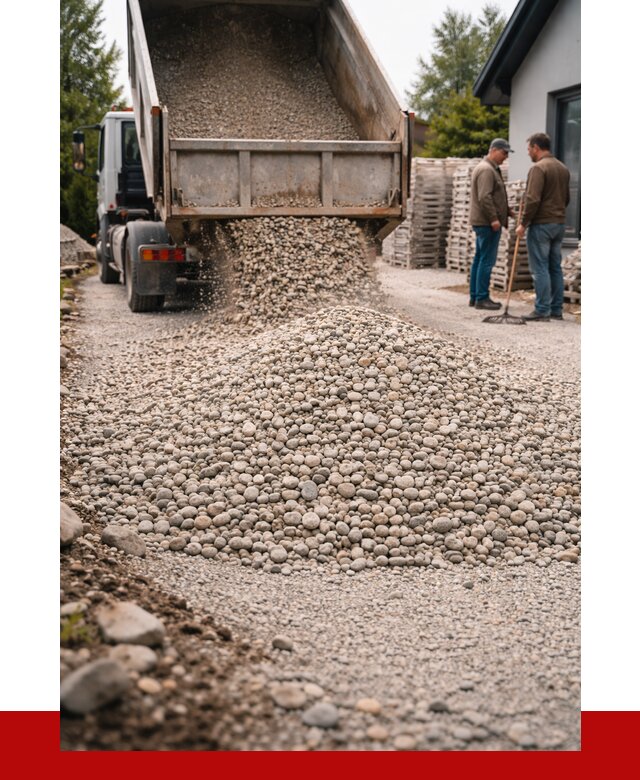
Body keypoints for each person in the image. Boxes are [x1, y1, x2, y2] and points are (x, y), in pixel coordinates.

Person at [516, 132, 571, 321]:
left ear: (536, 148)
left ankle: (542, 310)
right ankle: (556, 309)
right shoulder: (563, 168)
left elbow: (532, 199)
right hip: (559, 223)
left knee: (539, 267)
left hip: (541, 225)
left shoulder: (538, 169)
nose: (528, 153)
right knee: (555, 267)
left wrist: (523, 223)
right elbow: (567, 198)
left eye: (529, 148)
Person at [469, 138, 515, 310]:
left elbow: (493, 196)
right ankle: (482, 298)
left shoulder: (488, 168)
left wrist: (507, 210)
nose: (505, 157)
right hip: (487, 223)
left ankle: (475, 297)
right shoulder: (487, 170)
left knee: (479, 258)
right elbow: (485, 197)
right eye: (504, 153)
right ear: (494, 150)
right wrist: (494, 218)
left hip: (484, 221)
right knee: (487, 260)